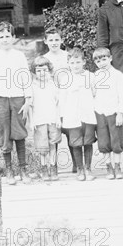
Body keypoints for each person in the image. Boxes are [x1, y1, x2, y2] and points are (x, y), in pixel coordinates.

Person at [0, 21, 33, 186]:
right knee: (4, 133)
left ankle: (23, 169)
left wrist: (28, 99)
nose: (5, 39)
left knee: (19, 133)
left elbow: (26, 77)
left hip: (18, 97)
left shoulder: (19, 56)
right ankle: (9, 169)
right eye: (2, 36)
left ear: (13, 38)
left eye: (8, 36)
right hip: (0, 99)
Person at [59, 48, 97, 181]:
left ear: (84, 62)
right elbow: (62, 99)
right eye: (72, 63)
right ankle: (79, 169)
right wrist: (62, 116)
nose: (75, 66)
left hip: (88, 115)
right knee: (75, 143)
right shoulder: (65, 79)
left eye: (78, 62)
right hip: (72, 116)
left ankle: (88, 168)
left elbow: (94, 94)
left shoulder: (90, 76)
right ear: (68, 63)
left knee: (88, 142)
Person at [42, 27, 77, 173]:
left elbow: (75, 73)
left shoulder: (68, 56)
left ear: (61, 40)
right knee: (53, 133)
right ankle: (53, 165)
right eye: (51, 40)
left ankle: (76, 163)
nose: (54, 43)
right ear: (45, 41)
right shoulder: (44, 59)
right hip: (52, 99)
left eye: (57, 39)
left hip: (68, 97)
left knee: (70, 131)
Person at [92, 47, 123, 180]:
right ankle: (108, 166)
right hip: (100, 112)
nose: (101, 63)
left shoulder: (117, 75)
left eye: (104, 59)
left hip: (114, 112)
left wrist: (120, 113)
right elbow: (93, 94)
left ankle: (118, 166)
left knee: (116, 139)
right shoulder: (95, 76)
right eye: (98, 61)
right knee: (103, 140)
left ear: (110, 58)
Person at [29, 56, 62, 181]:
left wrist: (58, 118)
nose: (42, 73)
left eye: (44, 70)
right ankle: (44, 168)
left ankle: (53, 168)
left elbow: (58, 103)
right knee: (42, 147)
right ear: (34, 72)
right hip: (39, 120)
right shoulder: (32, 86)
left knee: (53, 144)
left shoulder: (53, 85)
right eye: (38, 70)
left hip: (52, 119)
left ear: (49, 70)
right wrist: (32, 121)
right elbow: (31, 106)